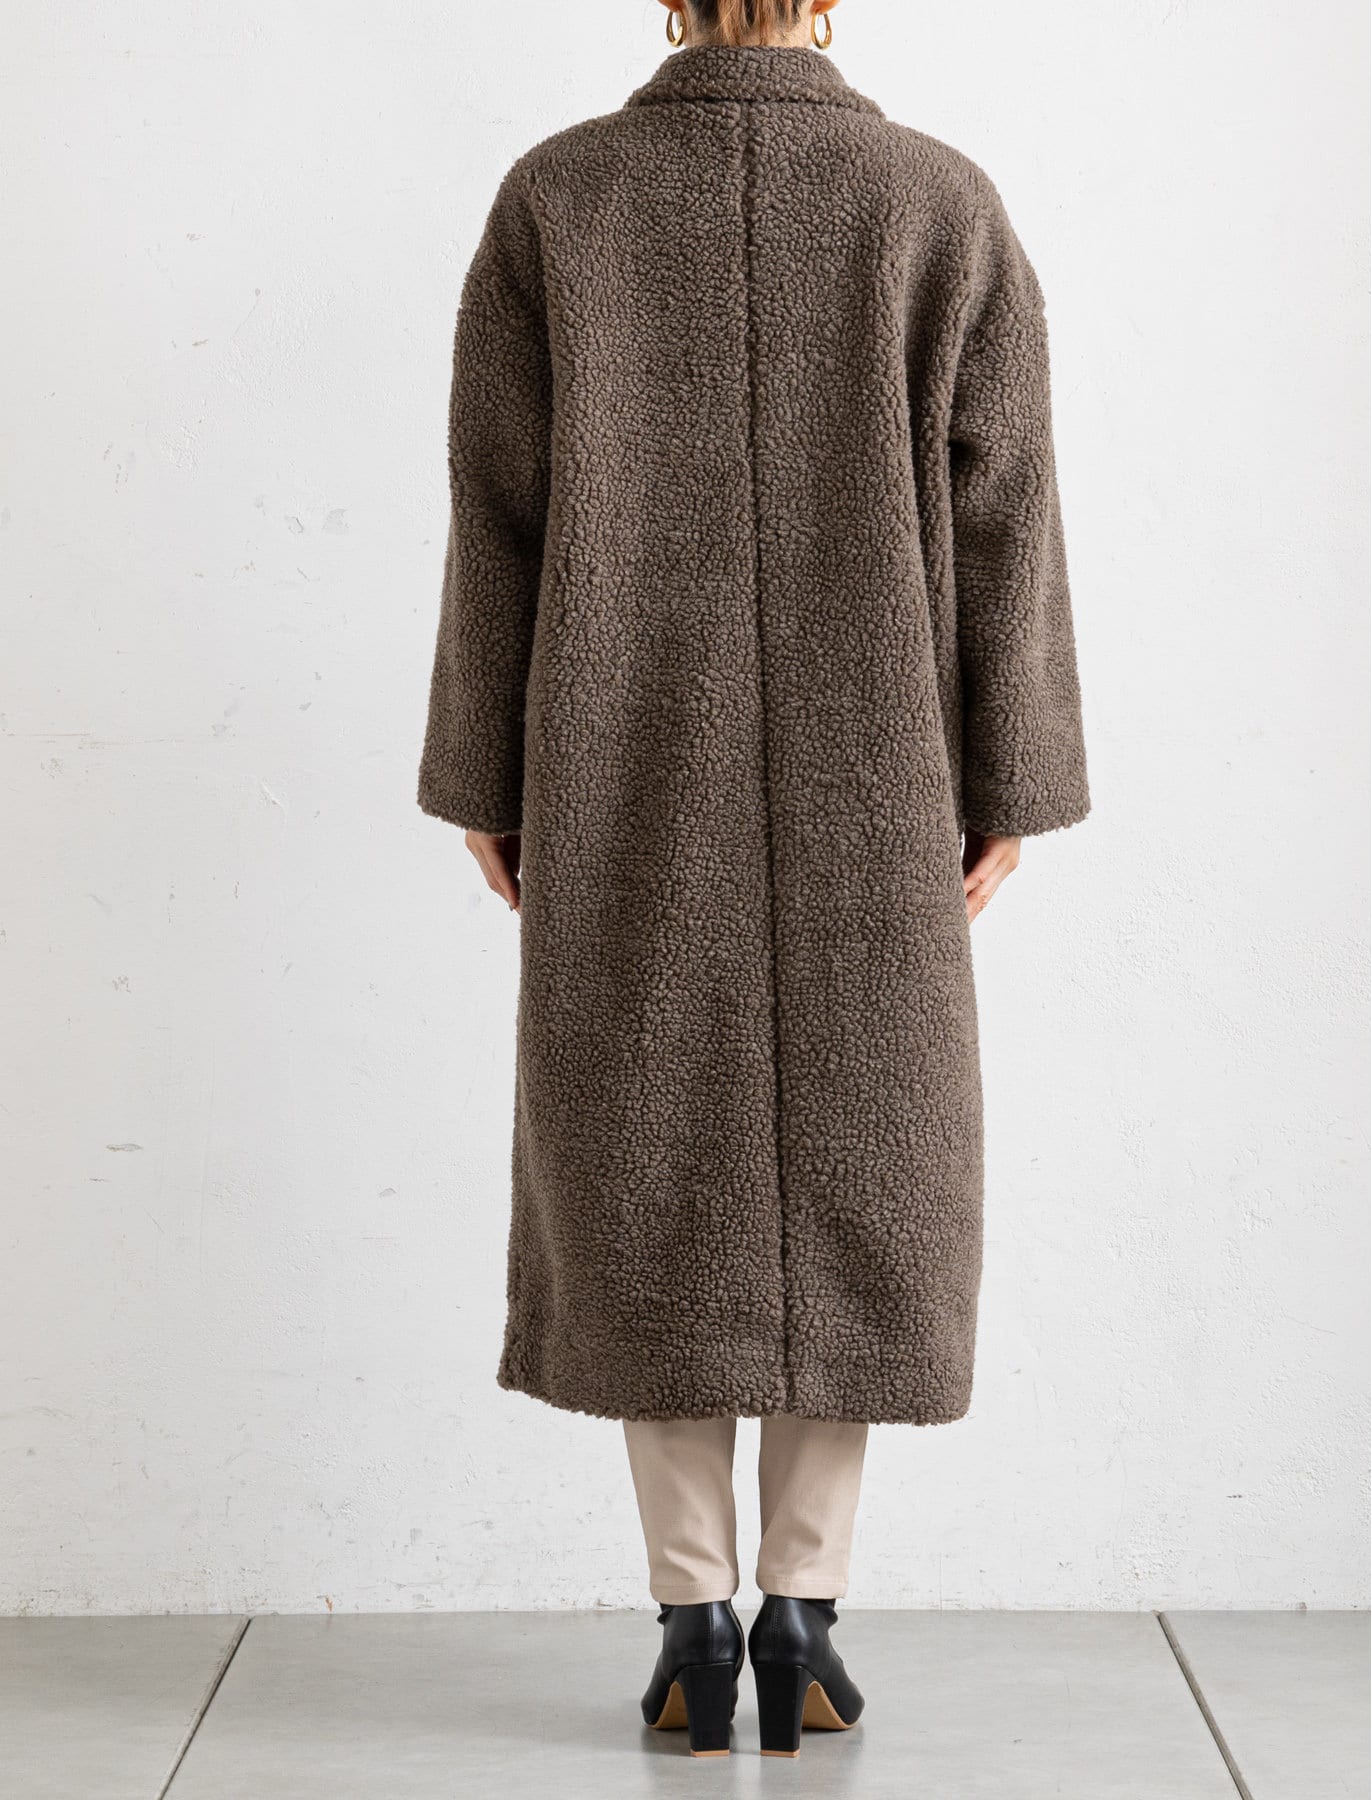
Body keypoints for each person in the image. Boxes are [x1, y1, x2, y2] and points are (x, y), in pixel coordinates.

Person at [418, 0, 1088, 1760]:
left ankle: (689, 1623)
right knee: (862, 1175)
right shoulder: (938, 201)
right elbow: (1007, 512)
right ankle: (803, 1611)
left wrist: (486, 772)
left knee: (646, 1176)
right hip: (884, 769)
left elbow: (497, 512)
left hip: (620, 761)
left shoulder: (559, 199)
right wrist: (1011, 778)